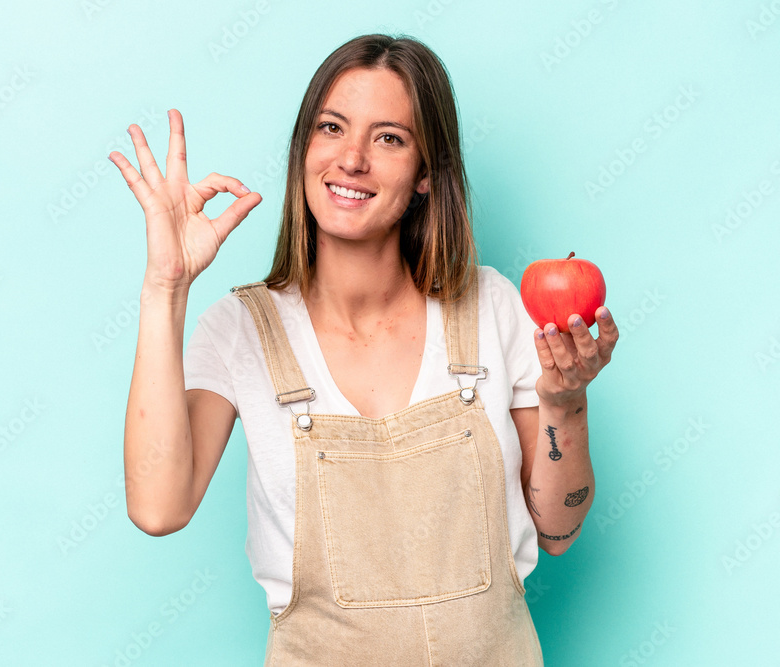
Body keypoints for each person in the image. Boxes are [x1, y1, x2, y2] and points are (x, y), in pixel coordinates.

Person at [110, 33, 617, 665]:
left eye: (389, 138)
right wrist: (166, 287)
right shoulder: (240, 329)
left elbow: (558, 531)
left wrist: (566, 402)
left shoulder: (491, 306)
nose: (351, 159)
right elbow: (158, 509)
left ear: (427, 173)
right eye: (331, 128)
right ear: (305, 149)